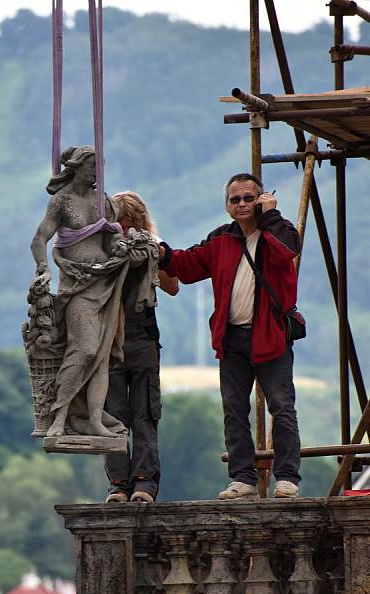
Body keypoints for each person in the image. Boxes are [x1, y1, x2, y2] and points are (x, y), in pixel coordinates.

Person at [158, 173, 301, 500]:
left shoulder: (278, 233)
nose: (241, 204)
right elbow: (189, 265)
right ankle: (243, 479)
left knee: (281, 406)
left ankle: (287, 478)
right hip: (233, 339)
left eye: (249, 198)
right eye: (235, 199)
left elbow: (287, 251)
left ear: (261, 200)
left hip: (271, 336)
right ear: (226, 205)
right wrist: (160, 252)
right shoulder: (221, 238)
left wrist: (270, 216)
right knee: (234, 409)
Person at [30, 146, 128, 439]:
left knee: (101, 356)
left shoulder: (105, 204)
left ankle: (95, 419)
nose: (97, 172)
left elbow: (110, 243)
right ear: (77, 167)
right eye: (91, 166)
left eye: (100, 167)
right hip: (76, 286)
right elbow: (40, 239)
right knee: (84, 348)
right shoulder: (62, 202)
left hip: (105, 284)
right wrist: (43, 268)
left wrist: (120, 248)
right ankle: (61, 414)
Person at [105, 192, 178, 503]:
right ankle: (119, 484)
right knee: (113, 415)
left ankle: (145, 483)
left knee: (144, 411)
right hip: (110, 337)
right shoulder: (102, 245)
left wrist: (153, 257)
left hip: (141, 333)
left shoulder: (152, 245)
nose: (122, 227)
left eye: (126, 221)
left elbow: (173, 286)